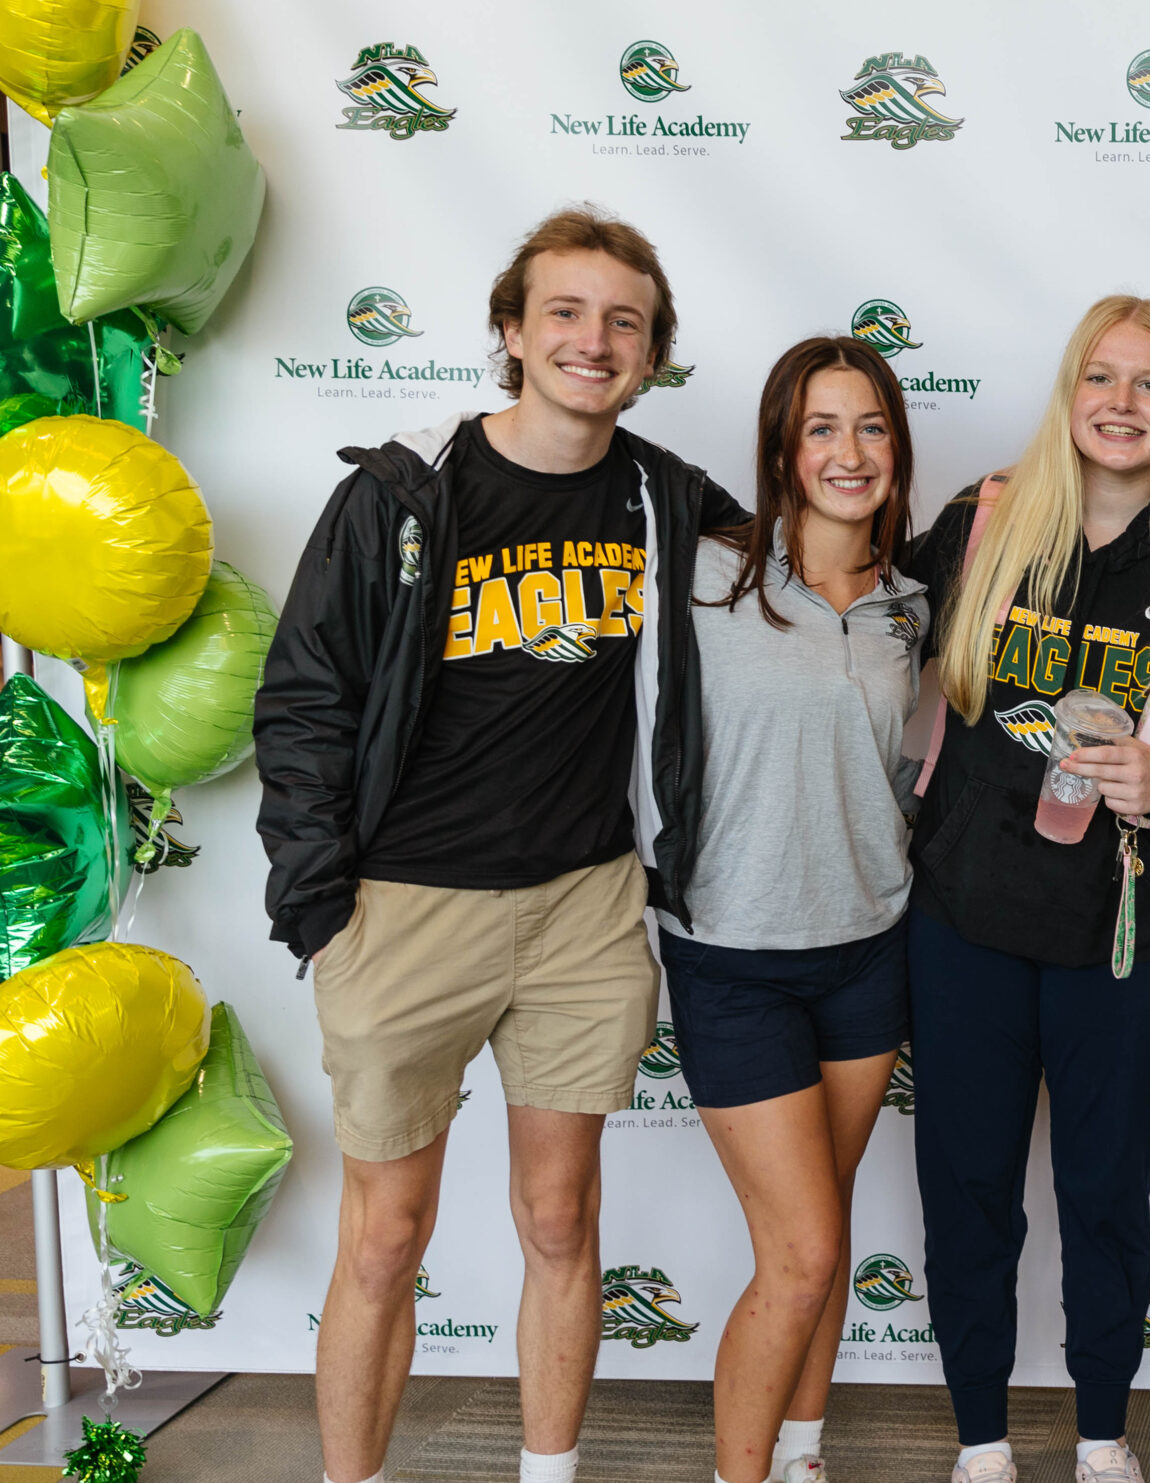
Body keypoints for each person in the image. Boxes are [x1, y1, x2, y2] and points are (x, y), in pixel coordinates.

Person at [253, 209, 745, 1483]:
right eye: (566, 314)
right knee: (382, 1236)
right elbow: (307, 697)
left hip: (584, 910)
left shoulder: (666, 498)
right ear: (513, 333)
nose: (594, 340)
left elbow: (811, 567)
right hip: (406, 908)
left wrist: (975, 524)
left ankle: (548, 1473)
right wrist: (322, 904)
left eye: (624, 321)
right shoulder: (404, 491)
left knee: (559, 1217)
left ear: (652, 354)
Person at [904, 296, 1150, 1483]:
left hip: (1125, 931)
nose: (1122, 404)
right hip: (965, 921)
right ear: (1068, 394)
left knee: (1106, 1192)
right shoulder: (980, 525)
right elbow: (844, 624)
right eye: (1099, 378)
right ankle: (981, 1441)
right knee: (968, 1190)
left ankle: (1103, 1435)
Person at [673, 337, 927, 1483]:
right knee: (804, 1250)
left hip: (869, 949)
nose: (848, 451)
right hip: (732, 955)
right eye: (822, 427)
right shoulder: (700, 575)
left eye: (870, 426)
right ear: (782, 444)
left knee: (817, 1246)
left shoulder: (913, 604)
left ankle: (804, 1454)